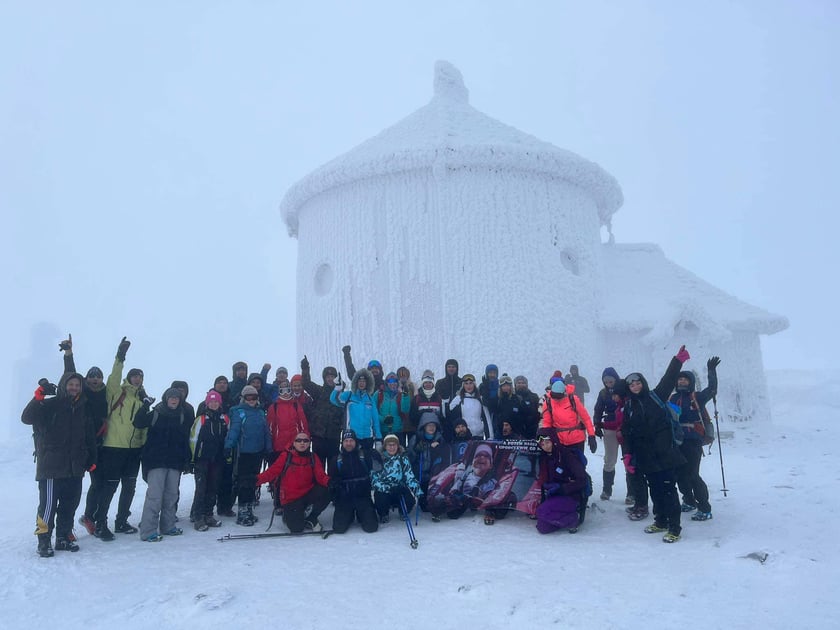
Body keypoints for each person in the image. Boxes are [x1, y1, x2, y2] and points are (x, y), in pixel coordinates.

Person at [22, 373, 96, 557]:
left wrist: (91, 459)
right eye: (71, 384)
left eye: (77, 385)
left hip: (75, 467)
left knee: (69, 506)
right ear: (64, 385)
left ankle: (63, 538)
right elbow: (27, 418)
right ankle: (44, 541)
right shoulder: (50, 404)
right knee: (48, 507)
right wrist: (38, 397)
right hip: (51, 467)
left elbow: (89, 437)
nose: (74, 388)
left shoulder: (82, 407)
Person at [622, 345, 690, 543]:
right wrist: (628, 455)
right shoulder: (629, 407)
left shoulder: (656, 395)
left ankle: (674, 528)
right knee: (655, 490)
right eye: (631, 385)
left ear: (642, 383)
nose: (635, 387)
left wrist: (678, 360)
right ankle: (660, 521)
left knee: (669, 491)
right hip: (646, 457)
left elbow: (668, 380)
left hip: (666, 454)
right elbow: (627, 432)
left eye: (637, 383)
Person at [96, 336, 147, 540]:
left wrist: (142, 446)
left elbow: (143, 426)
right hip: (114, 447)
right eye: (134, 376)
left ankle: (121, 521)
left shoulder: (142, 400)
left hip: (133, 450)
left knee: (129, 487)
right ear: (129, 378)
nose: (137, 379)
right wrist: (120, 356)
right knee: (109, 487)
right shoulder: (117, 393)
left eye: (140, 377)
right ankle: (101, 523)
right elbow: (114, 376)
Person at [59, 336, 109, 538]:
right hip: (79, 445)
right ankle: (66, 529)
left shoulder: (107, 394)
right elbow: (69, 375)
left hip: (98, 446)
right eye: (91, 376)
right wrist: (68, 354)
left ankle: (89, 517)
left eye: (98, 376)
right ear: (86, 380)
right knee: (72, 490)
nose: (95, 379)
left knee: (98, 484)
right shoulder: (82, 393)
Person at [133, 387, 192, 541]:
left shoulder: (181, 416)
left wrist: (186, 460)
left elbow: (184, 440)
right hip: (155, 461)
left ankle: (168, 526)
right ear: (166, 399)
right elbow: (138, 423)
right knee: (155, 496)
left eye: (176, 398)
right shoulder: (156, 413)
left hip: (174, 462)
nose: (174, 400)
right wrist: (145, 405)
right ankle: (148, 531)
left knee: (171, 496)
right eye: (171, 397)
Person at [671, 357, 721, 521]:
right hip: (676, 441)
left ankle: (705, 508)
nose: (682, 381)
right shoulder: (672, 398)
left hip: (693, 441)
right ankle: (689, 500)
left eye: (685, 379)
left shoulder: (697, 397)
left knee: (692, 474)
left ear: (690, 382)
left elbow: (712, 390)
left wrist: (711, 371)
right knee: (679, 474)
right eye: (680, 378)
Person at [257, 431, 330, 533]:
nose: (302, 443)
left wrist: (329, 482)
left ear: (309, 443)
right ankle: (290, 515)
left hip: (307, 493)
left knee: (327, 490)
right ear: (294, 443)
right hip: (291, 499)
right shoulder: (286, 456)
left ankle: (311, 517)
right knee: (297, 529)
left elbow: (320, 476)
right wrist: (255, 480)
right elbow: (271, 472)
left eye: (305, 441)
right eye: (299, 440)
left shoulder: (313, 457)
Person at [224, 385, 272, 526]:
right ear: (243, 398)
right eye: (248, 397)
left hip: (257, 453)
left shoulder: (259, 412)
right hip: (244, 453)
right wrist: (228, 445)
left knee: (253, 481)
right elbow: (234, 430)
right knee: (244, 482)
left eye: (254, 397)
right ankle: (242, 511)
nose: (251, 400)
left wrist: (268, 448)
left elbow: (266, 432)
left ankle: (249, 509)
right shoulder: (239, 412)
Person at [534, 427, 588, 534]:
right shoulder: (545, 457)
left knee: (541, 512)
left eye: (547, 442)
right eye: (542, 444)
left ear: (553, 440)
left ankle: (574, 518)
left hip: (571, 496)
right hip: (555, 497)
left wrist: (562, 488)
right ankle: (566, 518)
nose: (545, 446)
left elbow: (582, 480)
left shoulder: (566, 455)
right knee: (542, 528)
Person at [189, 390, 229, 531]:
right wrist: (193, 458)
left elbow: (229, 439)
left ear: (219, 403)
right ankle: (198, 517)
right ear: (207, 403)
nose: (213, 404)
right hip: (202, 459)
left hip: (218, 459)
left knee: (213, 488)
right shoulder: (201, 419)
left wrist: (228, 455)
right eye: (211, 402)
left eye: (216, 401)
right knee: (201, 488)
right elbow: (193, 439)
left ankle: (208, 514)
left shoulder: (224, 419)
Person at [328, 430, 380, 534]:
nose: (348, 443)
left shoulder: (364, 455)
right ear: (342, 443)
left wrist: (377, 456)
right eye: (346, 441)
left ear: (355, 442)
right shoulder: (336, 459)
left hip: (362, 496)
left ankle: (362, 514)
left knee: (371, 527)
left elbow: (376, 471)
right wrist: (335, 487)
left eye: (351, 440)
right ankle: (349, 514)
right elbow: (331, 479)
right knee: (338, 529)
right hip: (345, 498)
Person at [301, 357, 344, 467]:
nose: (330, 379)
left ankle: (332, 484)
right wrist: (305, 368)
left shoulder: (341, 395)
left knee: (333, 467)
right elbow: (306, 383)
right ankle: (318, 485)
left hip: (333, 437)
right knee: (317, 466)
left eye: (332, 376)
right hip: (318, 437)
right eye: (328, 377)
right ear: (324, 378)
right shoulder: (319, 391)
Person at [371, 434, 423, 523]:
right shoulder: (379, 458)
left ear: (398, 446)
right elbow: (374, 479)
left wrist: (417, 490)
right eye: (389, 445)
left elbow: (409, 476)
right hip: (384, 490)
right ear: (385, 446)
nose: (392, 447)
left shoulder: (403, 458)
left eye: (394, 445)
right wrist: (387, 488)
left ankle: (403, 511)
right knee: (380, 499)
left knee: (410, 500)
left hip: (399, 488)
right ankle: (383, 513)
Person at [593, 367, 626, 502]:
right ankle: (607, 490)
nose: (608, 383)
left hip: (625, 428)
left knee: (629, 459)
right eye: (605, 381)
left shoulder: (624, 390)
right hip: (610, 427)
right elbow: (598, 409)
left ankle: (632, 492)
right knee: (609, 460)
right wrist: (597, 425)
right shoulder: (603, 393)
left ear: (616, 379)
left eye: (611, 380)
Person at [330, 368, 381, 451]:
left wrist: (378, 439)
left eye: (364, 381)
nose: (361, 383)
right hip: (351, 438)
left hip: (368, 438)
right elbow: (334, 399)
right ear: (355, 382)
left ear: (367, 383)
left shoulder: (370, 399)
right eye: (359, 381)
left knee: (366, 463)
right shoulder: (349, 396)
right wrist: (338, 387)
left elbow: (375, 420)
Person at [540, 379, 596, 454]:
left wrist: (591, 435)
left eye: (558, 396)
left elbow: (586, 419)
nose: (556, 399)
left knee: (578, 464)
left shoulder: (573, 400)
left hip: (577, 440)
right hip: (558, 440)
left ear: (564, 393)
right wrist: (546, 440)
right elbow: (547, 423)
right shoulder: (548, 403)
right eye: (554, 396)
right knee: (561, 465)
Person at [407, 413, 448, 515]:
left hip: (435, 474)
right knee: (425, 506)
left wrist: (438, 449)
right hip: (421, 474)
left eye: (433, 425)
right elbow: (409, 457)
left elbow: (445, 456)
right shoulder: (416, 439)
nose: (431, 428)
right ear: (423, 426)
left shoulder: (440, 439)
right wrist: (416, 450)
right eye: (428, 425)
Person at [448, 374, 493, 440]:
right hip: (464, 436)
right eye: (466, 383)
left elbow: (487, 419)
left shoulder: (480, 399)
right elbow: (451, 417)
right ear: (463, 385)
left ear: (474, 384)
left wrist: (490, 437)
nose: (469, 386)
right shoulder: (458, 399)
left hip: (478, 436)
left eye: (471, 383)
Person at [373, 372, 411, 445]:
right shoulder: (379, 394)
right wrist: (383, 419)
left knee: (399, 454)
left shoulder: (401, 395)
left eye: (395, 381)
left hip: (397, 431)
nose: (393, 383)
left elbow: (405, 410)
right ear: (386, 383)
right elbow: (373, 412)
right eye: (390, 381)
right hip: (382, 431)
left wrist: (406, 395)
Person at [434, 359, 462, 433]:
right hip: (444, 417)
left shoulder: (461, 382)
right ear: (446, 368)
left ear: (457, 368)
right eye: (449, 367)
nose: (451, 369)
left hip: (458, 416)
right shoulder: (440, 382)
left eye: (453, 367)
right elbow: (437, 398)